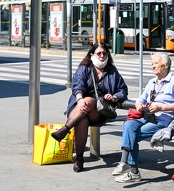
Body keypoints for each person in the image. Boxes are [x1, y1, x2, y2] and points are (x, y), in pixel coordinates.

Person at [51, 43, 128, 173]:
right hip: (79, 109)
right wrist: (80, 99)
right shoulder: (84, 68)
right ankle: (79, 159)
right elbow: (77, 86)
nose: (102, 56)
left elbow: (123, 90)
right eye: (99, 53)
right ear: (92, 55)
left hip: (100, 111)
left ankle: (65, 129)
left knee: (88, 101)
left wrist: (114, 97)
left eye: (105, 53)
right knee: (82, 119)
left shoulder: (112, 71)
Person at [112, 52, 174, 183]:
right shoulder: (152, 82)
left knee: (132, 135)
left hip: (162, 120)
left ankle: (133, 171)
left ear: (166, 65)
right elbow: (141, 98)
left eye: (156, 63)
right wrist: (138, 103)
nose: (153, 66)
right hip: (147, 116)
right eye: (152, 64)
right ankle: (124, 163)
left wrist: (161, 107)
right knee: (129, 125)